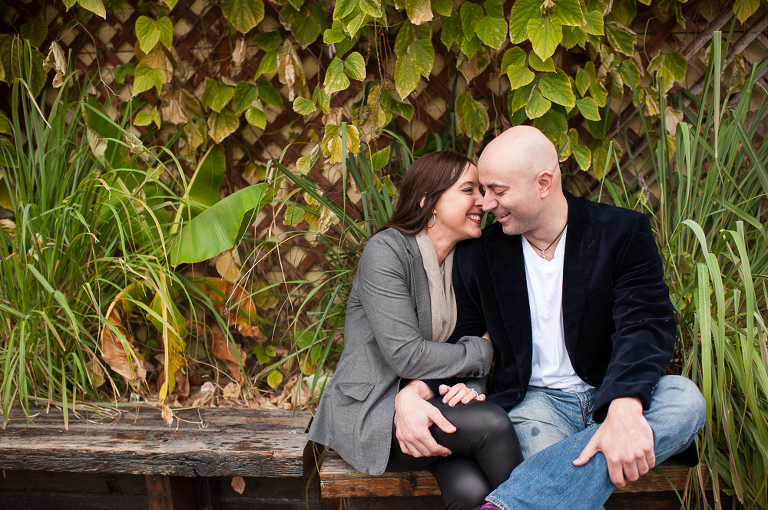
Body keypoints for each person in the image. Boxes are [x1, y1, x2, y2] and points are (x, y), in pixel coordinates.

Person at [394, 127, 707, 510]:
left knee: (685, 400)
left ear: (544, 182)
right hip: (535, 408)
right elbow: (463, 338)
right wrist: (414, 390)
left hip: (613, 387)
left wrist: (623, 407)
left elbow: (644, 325)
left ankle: (506, 505)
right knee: (549, 464)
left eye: (498, 190)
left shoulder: (621, 232)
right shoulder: (481, 255)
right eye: (483, 191)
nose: (486, 203)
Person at [308, 151, 524, 510]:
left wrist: (464, 389)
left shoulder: (468, 259)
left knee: (471, 492)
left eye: (483, 191)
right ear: (428, 201)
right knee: (493, 425)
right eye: (469, 189)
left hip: (436, 399)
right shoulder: (387, 252)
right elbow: (408, 355)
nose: (483, 203)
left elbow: (474, 338)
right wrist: (483, 354)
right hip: (374, 409)